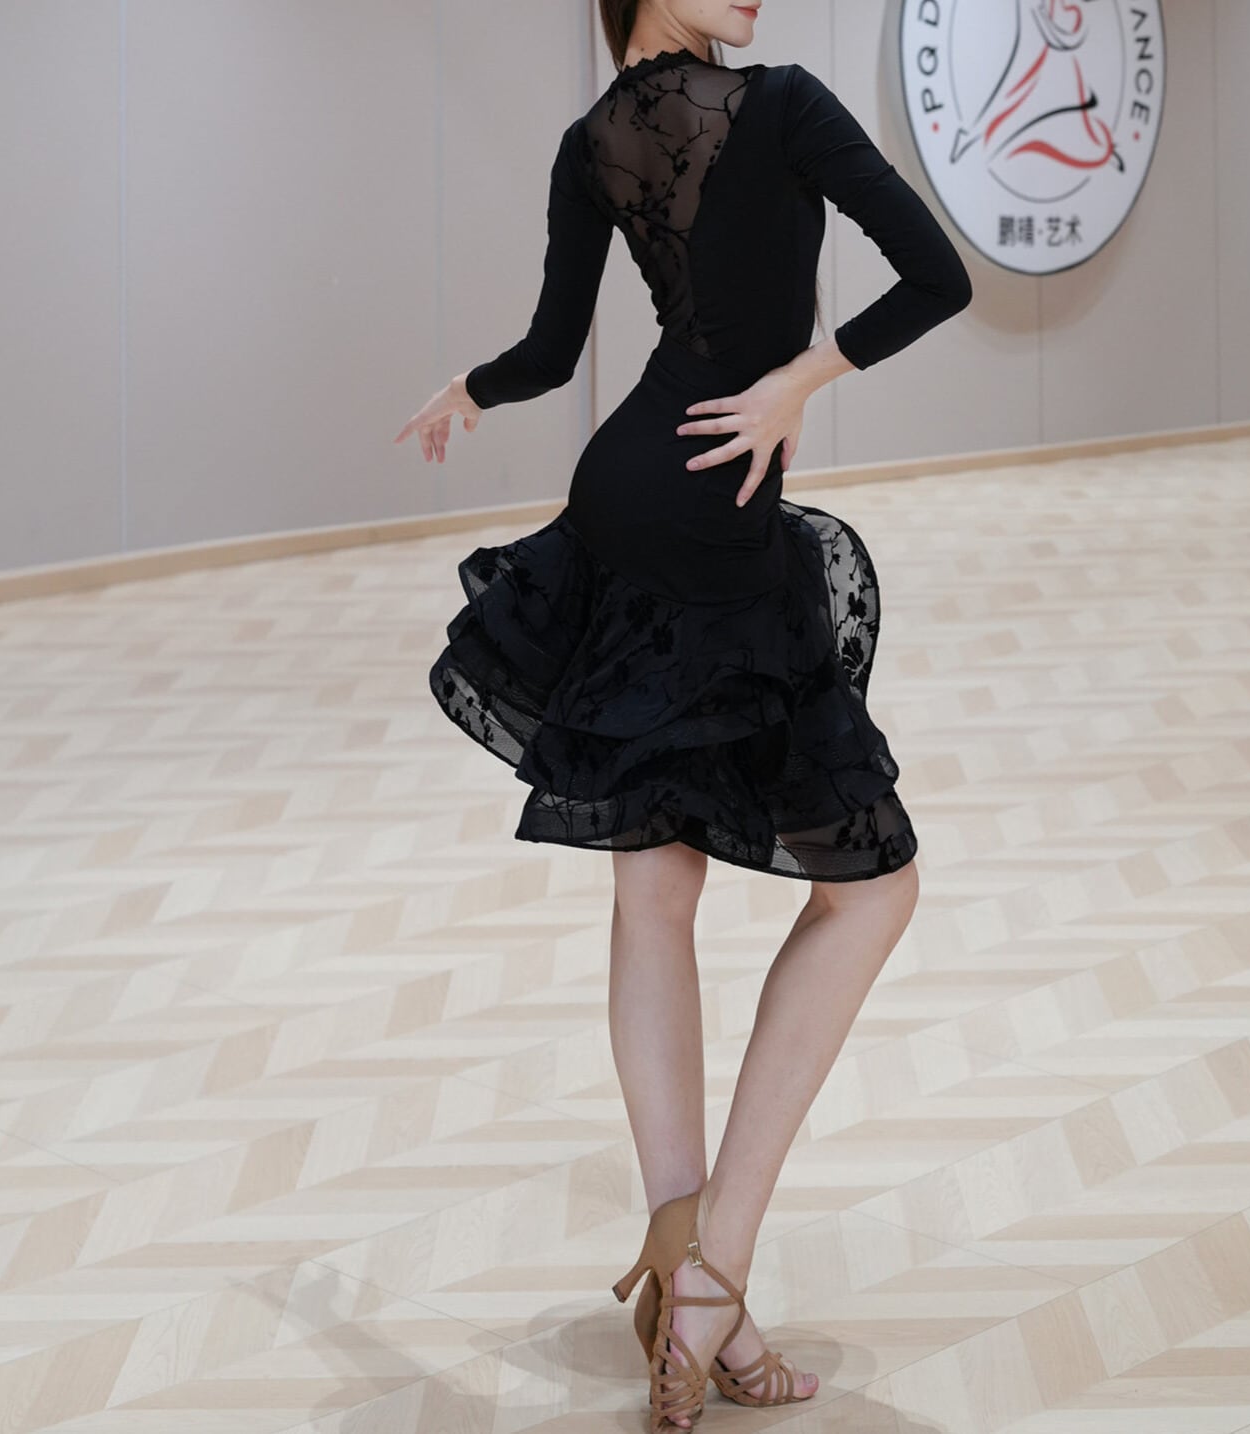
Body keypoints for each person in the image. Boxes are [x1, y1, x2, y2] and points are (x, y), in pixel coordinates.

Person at [395, 1, 972, 1425]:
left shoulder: (592, 138)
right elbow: (936, 277)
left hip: (630, 493)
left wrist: (468, 389)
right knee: (875, 888)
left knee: (656, 892)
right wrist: (797, 381)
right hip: (714, 522)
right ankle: (714, 1270)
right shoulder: (782, 104)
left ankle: (685, 1254)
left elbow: (550, 349)